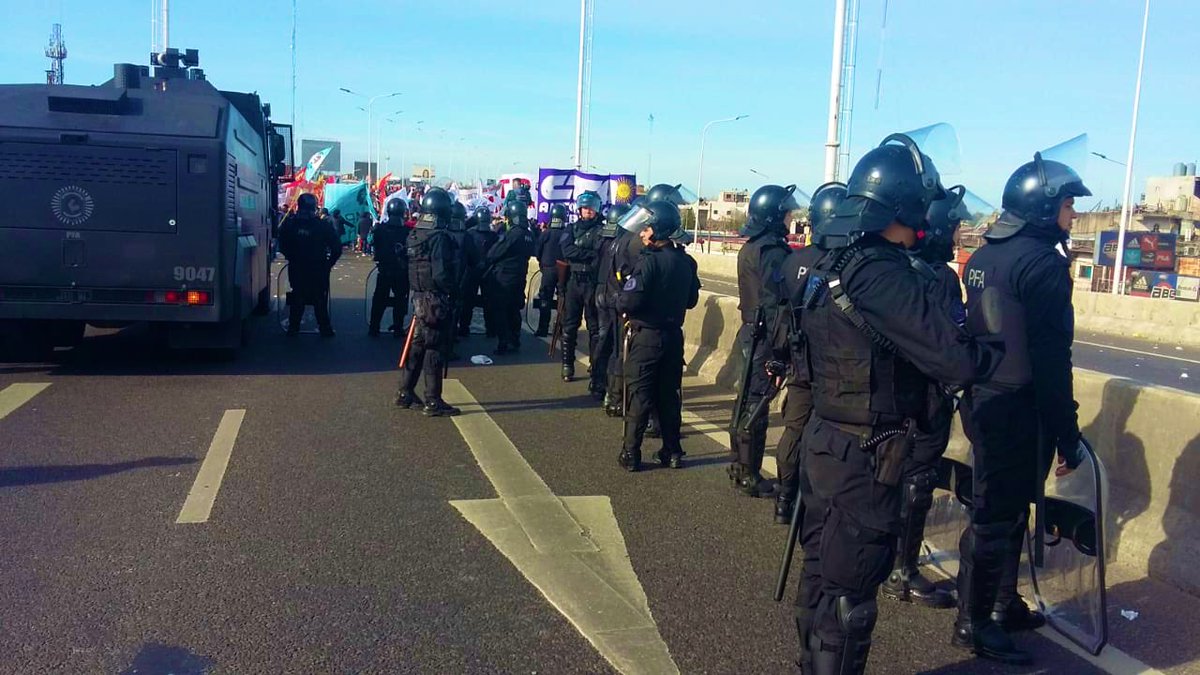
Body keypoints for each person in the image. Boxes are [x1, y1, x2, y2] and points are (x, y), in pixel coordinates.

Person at [794, 135, 1002, 675]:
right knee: (850, 601)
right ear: (907, 205)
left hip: (826, 442)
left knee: (820, 578)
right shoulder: (884, 273)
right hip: (866, 456)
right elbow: (953, 360)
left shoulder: (832, 262)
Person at [952, 154, 1090, 665]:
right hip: (1018, 406)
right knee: (994, 517)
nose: (1073, 213)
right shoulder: (1044, 265)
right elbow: (1054, 359)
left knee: (1005, 511)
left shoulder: (987, 255)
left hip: (985, 398)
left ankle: (1003, 602)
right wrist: (1067, 433)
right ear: (1044, 207)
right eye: (1069, 203)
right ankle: (973, 621)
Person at [880, 185, 972, 608]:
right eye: (951, 227)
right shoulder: (937, 277)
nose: (954, 235)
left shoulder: (893, 269)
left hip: (890, 396)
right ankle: (903, 569)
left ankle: (886, 559)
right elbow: (952, 339)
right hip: (928, 398)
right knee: (916, 482)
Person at [771, 182, 846, 526]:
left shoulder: (793, 261)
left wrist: (779, 357)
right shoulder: (846, 264)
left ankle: (785, 498)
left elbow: (781, 312)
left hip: (799, 362)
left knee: (794, 431)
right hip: (835, 371)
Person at [615, 199, 700, 471]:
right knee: (669, 396)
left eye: (646, 229)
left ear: (658, 230)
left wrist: (619, 298)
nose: (642, 233)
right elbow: (691, 301)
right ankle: (672, 451)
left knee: (640, 395)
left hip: (647, 337)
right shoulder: (686, 262)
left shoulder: (648, 263)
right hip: (674, 338)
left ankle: (631, 453)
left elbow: (630, 302)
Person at [729, 184, 800, 497]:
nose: (789, 219)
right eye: (786, 214)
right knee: (756, 405)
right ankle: (749, 473)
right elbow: (775, 305)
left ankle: (739, 465)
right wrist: (779, 351)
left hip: (751, 331)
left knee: (746, 400)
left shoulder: (752, 247)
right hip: (763, 335)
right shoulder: (772, 252)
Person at [397, 188, 459, 417]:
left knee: (417, 346)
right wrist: (453, 291)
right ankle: (433, 401)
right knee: (434, 348)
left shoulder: (415, 234)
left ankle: (405, 392)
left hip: (418, 296)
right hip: (435, 298)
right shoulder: (439, 237)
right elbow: (441, 273)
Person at [278, 193, 341, 337]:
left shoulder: (290, 224)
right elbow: (336, 248)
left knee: (297, 297)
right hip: (317, 268)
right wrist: (328, 264)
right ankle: (324, 328)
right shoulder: (322, 225)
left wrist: (292, 257)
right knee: (319, 298)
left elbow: (282, 245)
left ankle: (294, 327)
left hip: (297, 267)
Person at [559, 191, 605, 386]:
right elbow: (566, 250)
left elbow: (600, 252)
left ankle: (596, 366)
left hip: (592, 283)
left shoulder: (601, 230)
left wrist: (582, 253)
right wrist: (587, 254)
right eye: (585, 208)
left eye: (591, 208)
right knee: (569, 326)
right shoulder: (571, 228)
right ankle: (567, 364)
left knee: (595, 328)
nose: (588, 212)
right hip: (573, 282)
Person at [486, 200, 537, 354]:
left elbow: (493, 253)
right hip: (520, 275)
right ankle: (515, 339)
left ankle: (503, 342)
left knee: (501, 310)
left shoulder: (513, 234)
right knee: (514, 308)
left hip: (504, 277)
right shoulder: (529, 234)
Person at [596, 203, 633, 416]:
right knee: (619, 352)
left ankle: (606, 390)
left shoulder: (613, 242)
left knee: (607, 345)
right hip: (617, 303)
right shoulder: (625, 243)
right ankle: (615, 396)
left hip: (608, 298)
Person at [369, 198, 411, 337]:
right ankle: (397, 327)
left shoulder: (380, 229)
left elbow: (373, 245)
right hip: (400, 271)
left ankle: (374, 327)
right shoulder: (407, 231)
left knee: (380, 299)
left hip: (385, 270)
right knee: (400, 299)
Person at [461, 207, 499, 337]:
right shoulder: (493, 235)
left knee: (468, 301)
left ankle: (464, 328)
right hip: (486, 271)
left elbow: (465, 253)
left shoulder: (469, 234)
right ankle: (491, 329)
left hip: (473, 270)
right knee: (487, 302)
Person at [446, 201, 479, 351]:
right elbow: (474, 259)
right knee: (454, 311)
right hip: (460, 279)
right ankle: (450, 343)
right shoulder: (466, 237)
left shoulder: (442, 234)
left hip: (443, 279)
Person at [535, 204, 569, 337]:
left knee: (545, 299)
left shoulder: (546, 233)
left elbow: (537, 251)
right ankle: (560, 329)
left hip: (548, 270)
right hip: (563, 271)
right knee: (562, 300)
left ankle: (542, 328)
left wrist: (542, 264)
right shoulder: (567, 233)